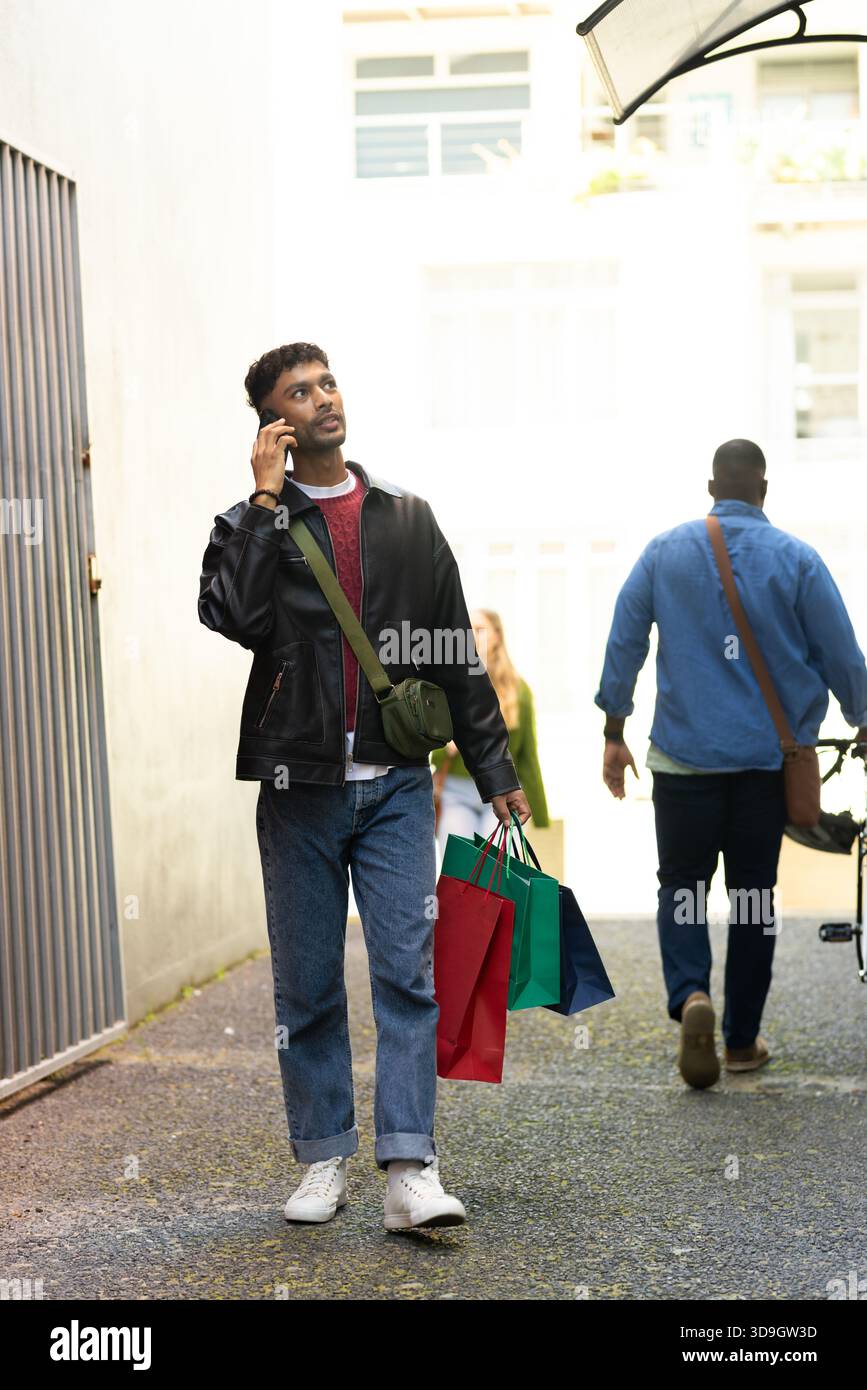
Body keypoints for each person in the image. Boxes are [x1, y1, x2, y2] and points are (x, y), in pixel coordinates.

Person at [198, 342, 530, 1229]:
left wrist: (495, 772)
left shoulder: (406, 520)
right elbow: (232, 614)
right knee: (306, 986)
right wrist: (267, 502)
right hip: (296, 786)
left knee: (406, 976)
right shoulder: (247, 524)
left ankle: (409, 1170)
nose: (321, 401)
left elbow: (455, 655)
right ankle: (320, 1159)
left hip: (391, 786)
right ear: (273, 425)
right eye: (298, 394)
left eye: (327, 384)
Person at [594, 439, 867, 1089]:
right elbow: (840, 654)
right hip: (763, 765)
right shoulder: (796, 559)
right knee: (751, 896)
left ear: (710, 487)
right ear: (763, 491)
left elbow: (624, 638)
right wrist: (861, 719)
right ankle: (741, 1041)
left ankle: (691, 996)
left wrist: (613, 727)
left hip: (683, 762)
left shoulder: (664, 551)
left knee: (682, 887)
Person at [431, 608, 549, 859]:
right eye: (468, 629)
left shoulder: (519, 692)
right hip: (456, 793)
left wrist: (542, 816)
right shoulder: (448, 684)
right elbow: (429, 747)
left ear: (497, 636)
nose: (473, 635)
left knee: (494, 871)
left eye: (480, 629)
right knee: (460, 866)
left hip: (502, 794)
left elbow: (527, 756)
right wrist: (446, 746)